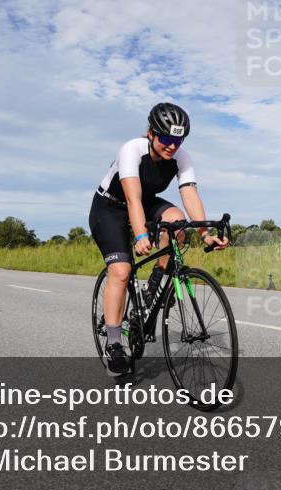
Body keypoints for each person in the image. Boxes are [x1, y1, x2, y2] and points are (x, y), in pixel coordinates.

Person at [89, 103, 228, 374]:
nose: (172, 146)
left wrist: (205, 234)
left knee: (178, 224)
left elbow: (189, 194)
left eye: (178, 140)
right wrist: (141, 234)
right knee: (121, 271)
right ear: (151, 133)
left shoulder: (182, 158)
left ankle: (155, 285)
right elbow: (132, 198)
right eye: (166, 139)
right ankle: (115, 344)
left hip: (147, 201)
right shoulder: (132, 150)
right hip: (110, 207)